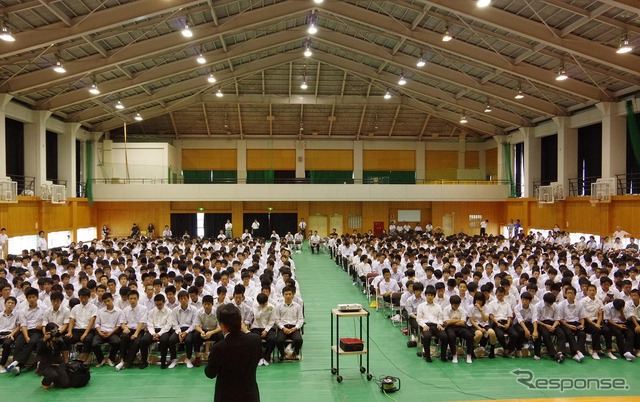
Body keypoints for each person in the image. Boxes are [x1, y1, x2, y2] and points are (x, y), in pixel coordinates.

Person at [205, 303, 262, 402]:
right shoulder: (255, 340)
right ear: (240, 322)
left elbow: (210, 373)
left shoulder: (218, 348)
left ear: (222, 326)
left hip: (226, 396)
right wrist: (247, 331)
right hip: (250, 396)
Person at [274, 286, 304, 360]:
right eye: (286, 294)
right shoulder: (279, 306)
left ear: (293, 295)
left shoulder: (298, 306)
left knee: (299, 340)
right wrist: (283, 328)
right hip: (283, 327)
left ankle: (295, 353)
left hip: (294, 327)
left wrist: (296, 327)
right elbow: (277, 320)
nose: (288, 296)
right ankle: (283, 354)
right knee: (278, 341)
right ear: (283, 295)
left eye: (290, 294)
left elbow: (300, 319)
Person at [37, 323, 69, 389]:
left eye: (56, 331)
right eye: (54, 331)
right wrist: (44, 340)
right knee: (52, 375)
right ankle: (45, 382)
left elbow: (65, 350)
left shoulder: (58, 340)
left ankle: (54, 379)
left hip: (57, 363)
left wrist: (66, 362)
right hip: (46, 365)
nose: (55, 333)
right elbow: (38, 352)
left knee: (65, 384)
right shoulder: (41, 341)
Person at [0, 296, 20, 373]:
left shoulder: (17, 314)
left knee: (7, 344)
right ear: (5, 304)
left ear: (15, 305)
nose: (10, 304)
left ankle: (2, 364)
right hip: (0, 333)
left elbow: (18, 326)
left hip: (10, 334)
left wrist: (12, 334)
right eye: (8, 302)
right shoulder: (0, 314)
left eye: (12, 303)